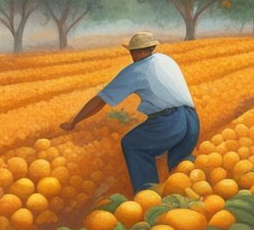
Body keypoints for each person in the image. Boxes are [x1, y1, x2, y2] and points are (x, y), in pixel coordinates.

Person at [60, 32, 200, 194]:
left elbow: (100, 100)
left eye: (132, 51)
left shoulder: (135, 70)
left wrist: (74, 122)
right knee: (179, 172)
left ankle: (147, 196)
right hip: (192, 120)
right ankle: (185, 206)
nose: (131, 54)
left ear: (139, 51)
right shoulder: (166, 59)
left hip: (170, 122)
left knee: (133, 144)